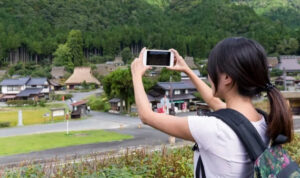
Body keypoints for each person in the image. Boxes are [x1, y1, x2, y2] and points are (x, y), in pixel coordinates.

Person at [131, 37, 293, 177]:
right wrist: (187, 70)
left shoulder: (213, 129)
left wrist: (136, 75)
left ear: (227, 77)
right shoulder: (260, 120)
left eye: (211, 70)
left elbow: (147, 116)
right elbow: (217, 104)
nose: (209, 76)